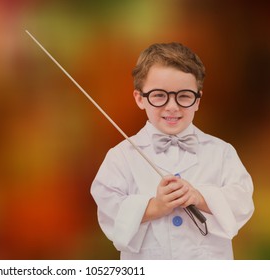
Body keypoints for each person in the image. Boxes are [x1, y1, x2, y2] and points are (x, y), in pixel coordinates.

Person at [90, 42, 254, 259]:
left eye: (184, 96)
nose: (172, 107)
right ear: (140, 98)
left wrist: (200, 197)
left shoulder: (222, 152)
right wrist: (155, 207)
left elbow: (242, 202)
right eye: (159, 95)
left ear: (198, 100)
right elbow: (109, 211)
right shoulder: (120, 156)